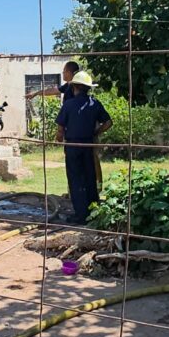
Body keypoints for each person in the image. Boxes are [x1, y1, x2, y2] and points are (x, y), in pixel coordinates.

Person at [26, 60, 103, 191]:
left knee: (91, 157)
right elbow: (54, 90)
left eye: (64, 71)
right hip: (71, 130)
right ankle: (73, 189)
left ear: (70, 72)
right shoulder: (68, 87)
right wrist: (36, 93)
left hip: (84, 128)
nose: (62, 73)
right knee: (73, 161)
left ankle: (98, 185)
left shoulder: (78, 90)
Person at [56, 71, 112, 225]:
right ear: (88, 88)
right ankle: (93, 212)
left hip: (73, 146)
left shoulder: (68, 105)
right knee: (89, 178)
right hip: (88, 145)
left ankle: (80, 216)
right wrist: (95, 132)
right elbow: (108, 123)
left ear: (74, 87)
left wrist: (59, 139)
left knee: (75, 180)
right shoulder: (95, 103)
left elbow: (60, 130)